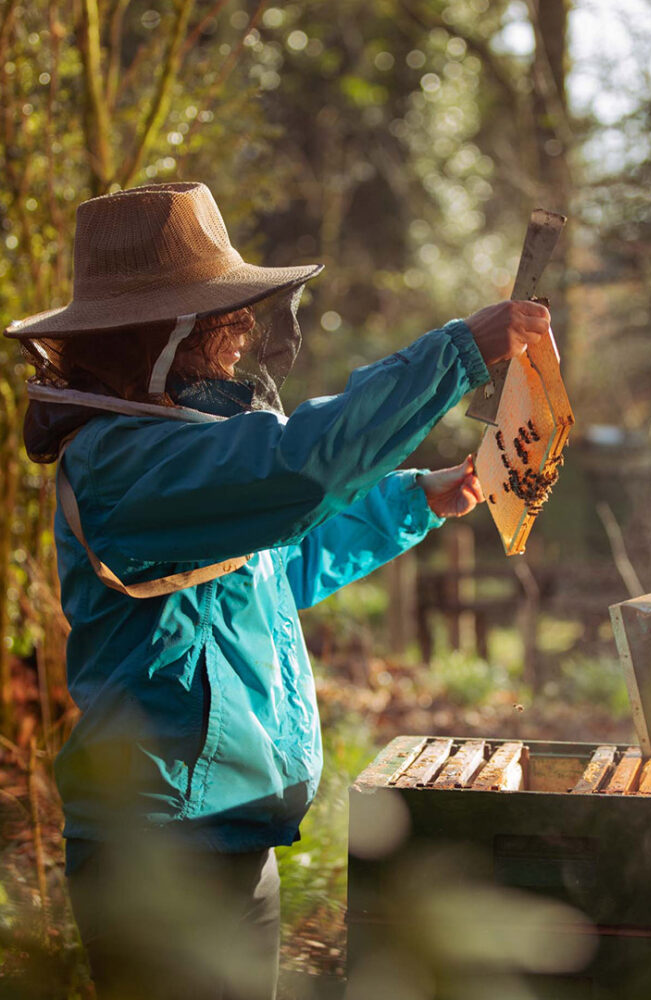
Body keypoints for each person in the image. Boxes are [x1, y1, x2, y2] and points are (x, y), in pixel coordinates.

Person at [5, 182, 550, 1000]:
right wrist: (457, 353)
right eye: (217, 318)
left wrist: (416, 499)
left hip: (227, 833)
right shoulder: (120, 464)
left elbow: (276, 569)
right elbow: (299, 465)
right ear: (159, 334)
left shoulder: (168, 452)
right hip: (160, 853)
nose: (238, 336)